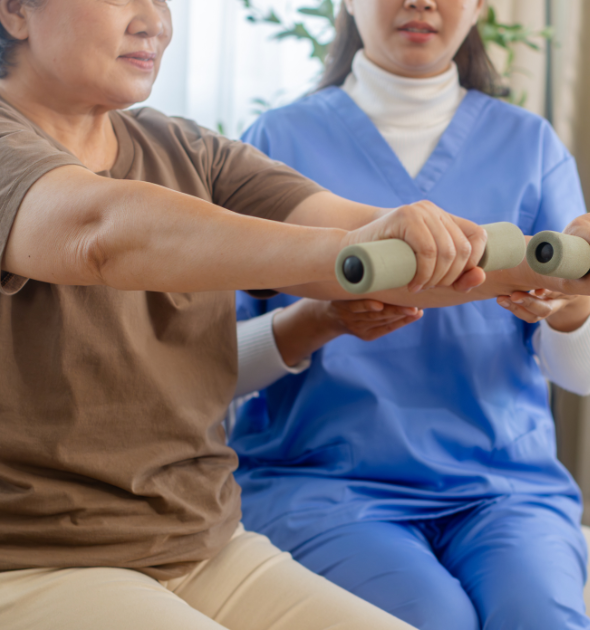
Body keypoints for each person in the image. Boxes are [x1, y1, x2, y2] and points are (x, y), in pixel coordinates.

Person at [0, 0, 590, 627]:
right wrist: (354, 257)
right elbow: (102, 230)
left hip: (204, 544)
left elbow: (388, 247)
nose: (153, 21)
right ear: (17, 11)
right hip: (48, 553)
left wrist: (560, 268)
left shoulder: (191, 150)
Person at [232, 1, 590, 628]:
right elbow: (208, 364)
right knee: (434, 618)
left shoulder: (529, 144)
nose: (420, 0)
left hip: (505, 489)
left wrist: (567, 313)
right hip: (326, 486)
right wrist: (321, 318)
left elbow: (579, 373)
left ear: (480, 5)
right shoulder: (275, 144)